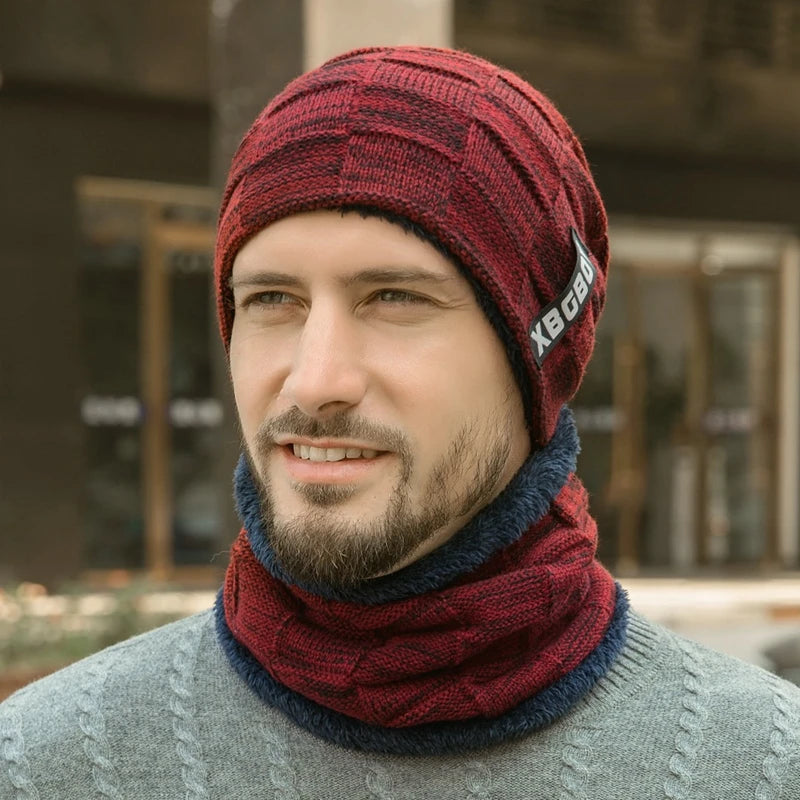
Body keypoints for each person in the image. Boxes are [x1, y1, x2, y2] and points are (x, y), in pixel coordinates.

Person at [2, 46, 798, 799]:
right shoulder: (46, 765)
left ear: (536, 356)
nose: (316, 381)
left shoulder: (764, 766)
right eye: (272, 299)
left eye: (395, 297)